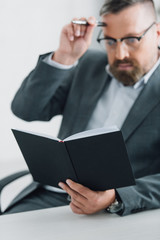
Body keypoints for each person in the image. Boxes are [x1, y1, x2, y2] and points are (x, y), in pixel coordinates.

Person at [6, 0, 160, 216]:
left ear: (157, 33)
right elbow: (26, 109)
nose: (120, 54)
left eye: (132, 39)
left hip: (117, 211)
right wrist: (65, 57)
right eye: (110, 41)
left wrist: (116, 197)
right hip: (52, 196)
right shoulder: (88, 65)